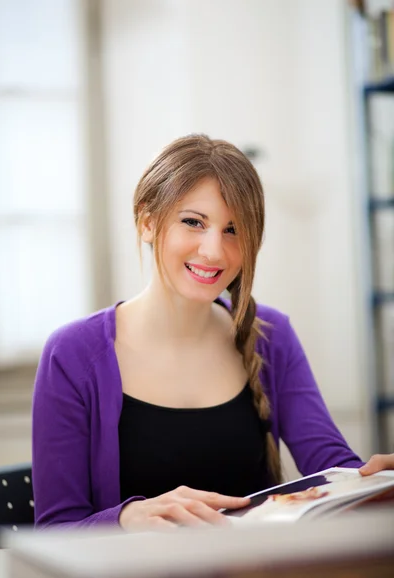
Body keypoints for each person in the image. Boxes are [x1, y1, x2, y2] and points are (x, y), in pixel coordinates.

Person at [32, 134, 394, 531]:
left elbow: (333, 469)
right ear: (147, 220)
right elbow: (55, 530)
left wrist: (374, 485)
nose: (214, 251)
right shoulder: (71, 355)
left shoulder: (273, 336)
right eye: (193, 222)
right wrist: (125, 518)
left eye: (233, 230)